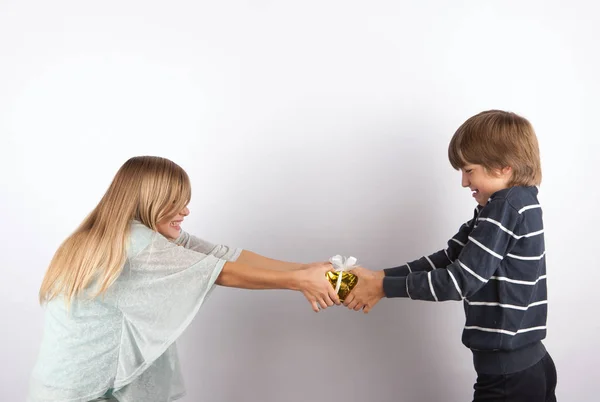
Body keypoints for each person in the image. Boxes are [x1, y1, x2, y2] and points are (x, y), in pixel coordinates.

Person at [28, 156, 340, 402]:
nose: (186, 211)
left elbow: (224, 255)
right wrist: (301, 282)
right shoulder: (137, 243)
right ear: (149, 199)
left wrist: (304, 269)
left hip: (61, 391)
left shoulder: (111, 235)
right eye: (175, 202)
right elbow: (221, 271)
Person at [345, 110, 557, 401]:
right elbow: (449, 257)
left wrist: (382, 287)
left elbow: (460, 281)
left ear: (504, 167)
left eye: (469, 171)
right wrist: (380, 278)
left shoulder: (504, 207)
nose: (464, 182)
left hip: (508, 378)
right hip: (530, 366)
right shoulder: (516, 204)